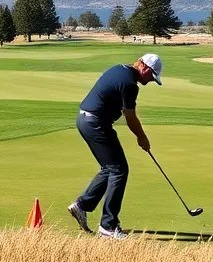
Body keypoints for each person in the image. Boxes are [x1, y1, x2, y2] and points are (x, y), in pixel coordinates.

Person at [68, 53, 163, 240]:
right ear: (144, 67)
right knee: (119, 170)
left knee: (110, 168)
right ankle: (108, 226)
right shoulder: (129, 85)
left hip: (86, 120)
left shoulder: (119, 69)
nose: (151, 80)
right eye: (151, 76)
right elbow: (130, 117)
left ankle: (82, 205)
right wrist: (142, 138)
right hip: (95, 123)